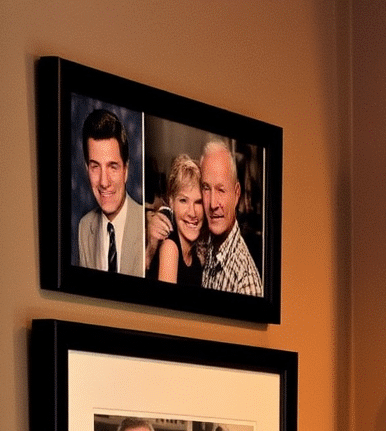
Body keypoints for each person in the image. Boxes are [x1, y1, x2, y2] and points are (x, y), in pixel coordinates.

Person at [77, 109, 145, 276]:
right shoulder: (84, 228)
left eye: (112, 167)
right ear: (87, 169)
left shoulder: (145, 225)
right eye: (95, 167)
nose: (104, 182)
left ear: (125, 170)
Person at [199, 141, 262, 296]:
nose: (213, 203)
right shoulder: (208, 245)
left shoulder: (245, 283)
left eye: (221, 190)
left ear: (237, 194)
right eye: (206, 188)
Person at [145, 154, 206, 286]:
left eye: (198, 202)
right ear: (171, 202)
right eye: (183, 201)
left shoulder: (195, 258)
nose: (192, 212)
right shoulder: (170, 248)